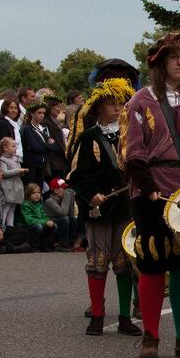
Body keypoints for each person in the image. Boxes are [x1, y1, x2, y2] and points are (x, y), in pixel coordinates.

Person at [124, 26, 180, 358]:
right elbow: (133, 151)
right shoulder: (140, 100)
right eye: (173, 57)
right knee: (152, 261)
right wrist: (148, 188)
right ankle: (150, 335)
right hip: (150, 189)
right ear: (160, 63)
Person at [68, 77, 139, 336]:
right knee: (98, 261)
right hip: (98, 208)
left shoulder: (130, 135)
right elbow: (76, 175)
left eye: (120, 103)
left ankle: (124, 317)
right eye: (111, 104)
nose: (117, 108)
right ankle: (97, 315)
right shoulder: (88, 138)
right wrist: (91, 194)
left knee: (124, 262)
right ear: (99, 108)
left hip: (124, 207)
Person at [20, 103, 54, 188]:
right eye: (39, 113)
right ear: (32, 113)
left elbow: (54, 145)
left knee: (40, 188)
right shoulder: (27, 128)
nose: (42, 115)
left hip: (42, 163)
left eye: (43, 113)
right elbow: (35, 147)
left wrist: (47, 145)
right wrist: (48, 146)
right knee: (31, 188)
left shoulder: (44, 128)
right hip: (31, 163)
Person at [19, 182, 57, 251]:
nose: (37, 195)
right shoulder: (25, 204)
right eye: (34, 193)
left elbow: (44, 215)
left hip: (38, 223)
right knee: (38, 226)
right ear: (28, 194)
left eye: (39, 193)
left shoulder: (38, 204)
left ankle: (46, 246)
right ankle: (34, 246)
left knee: (53, 225)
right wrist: (45, 222)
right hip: (26, 226)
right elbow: (29, 220)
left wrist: (48, 221)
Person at [44, 176, 77, 250]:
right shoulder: (49, 201)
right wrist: (67, 197)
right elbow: (63, 213)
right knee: (65, 219)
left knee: (72, 219)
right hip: (51, 221)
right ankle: (62, 244)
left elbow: (71, 213)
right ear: (55, 190)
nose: (66, 191)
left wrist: (71, 198)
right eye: (64, 188)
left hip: (62, 220)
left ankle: (70, 242)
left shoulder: (63, 200)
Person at [0, 97, 24, 162]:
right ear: (5, 109)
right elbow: (2, 146)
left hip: (15, 159)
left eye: (16, 108)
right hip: (6, 161)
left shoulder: (14, 124)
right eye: (11, 108)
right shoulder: (3, 123)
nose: (14, 110)